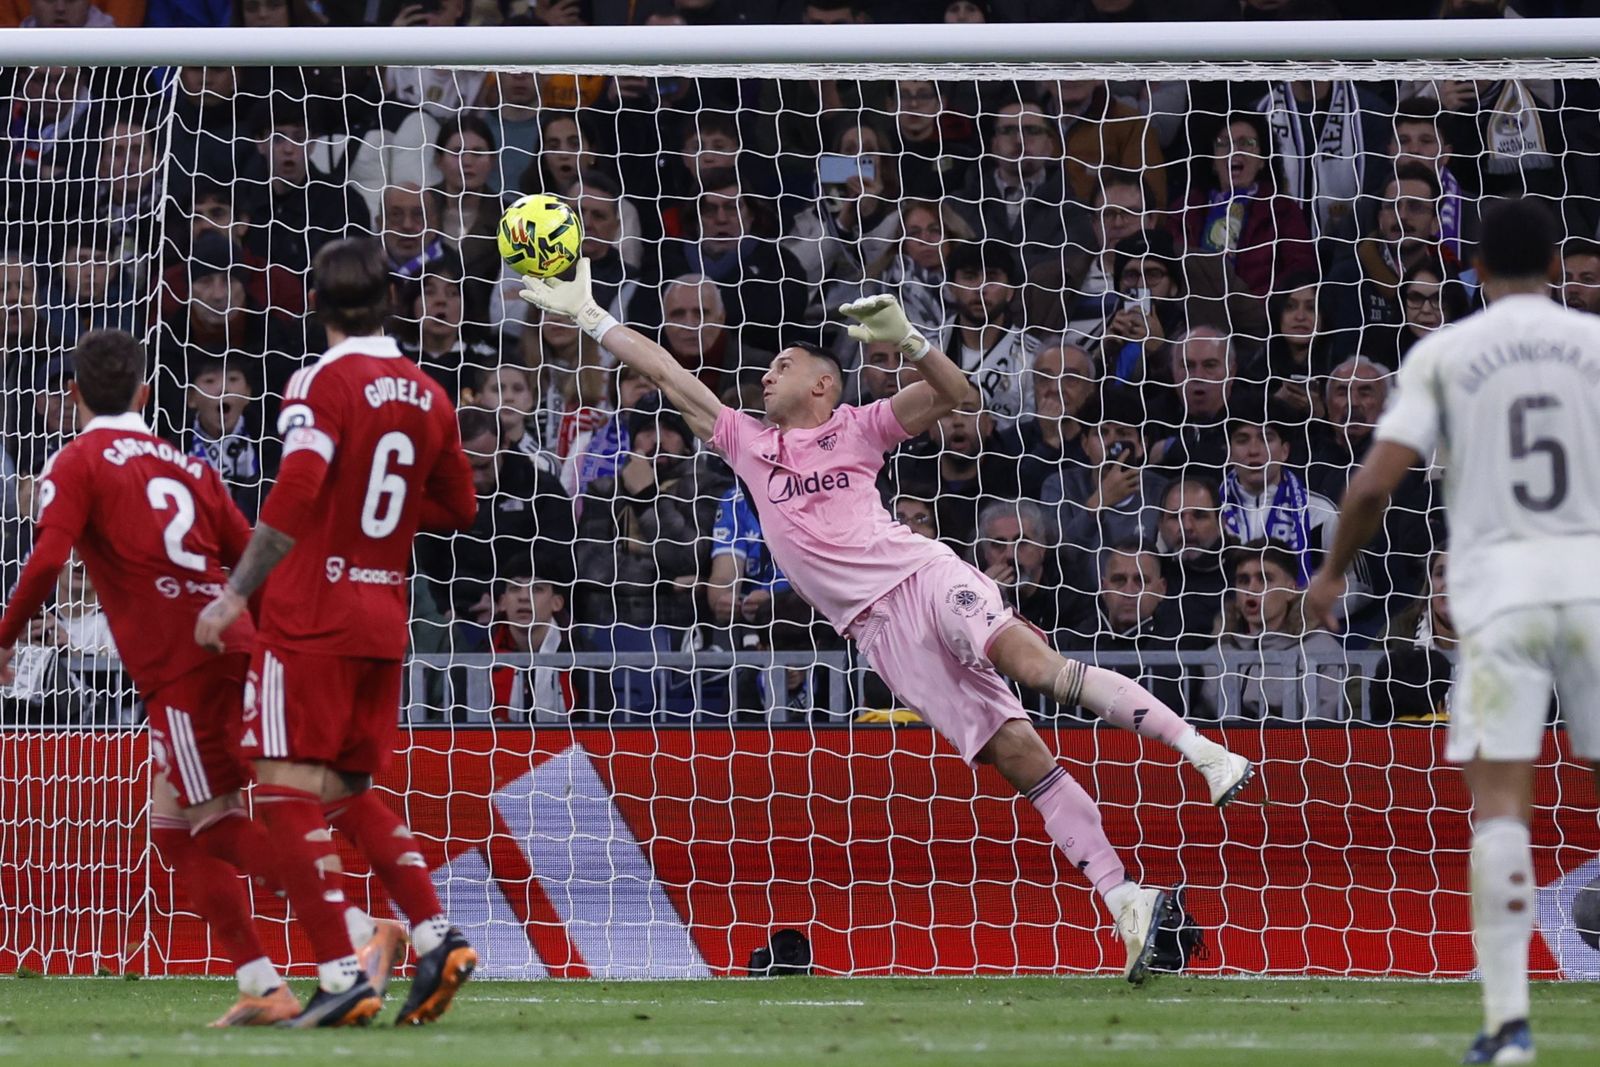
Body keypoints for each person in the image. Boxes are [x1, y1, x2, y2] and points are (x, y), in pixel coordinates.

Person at [520, 259, 1255, 983]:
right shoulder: (750, 444)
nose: (766, 375)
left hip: (923, 577)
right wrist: (593, 317)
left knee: (1036, 668)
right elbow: (670, 375)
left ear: (823, 383)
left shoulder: (858, 427)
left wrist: (910, 342)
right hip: (880, 635)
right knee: (1020, 757)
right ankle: (1126, 900)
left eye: (782, 364)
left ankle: (1204, 752)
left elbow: (957, 393)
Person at [0, 330, 392, 1027]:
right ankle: (262, 982)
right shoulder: (188, 465)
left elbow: (45, 562)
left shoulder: (75, 460)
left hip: (180, 666)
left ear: (72, 396)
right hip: (235, 638)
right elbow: (250, 556)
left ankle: (357, 934)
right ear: (145, 394)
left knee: (212, 822)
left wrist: (2, 640)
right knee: (177, 824)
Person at [1305, 199, 1600, 1064]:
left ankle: (1508, 1027)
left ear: (1472, 268)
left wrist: (1329, 575)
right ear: (1555, 265)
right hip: (1590, 582)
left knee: (1502, 803)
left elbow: (1369, 487)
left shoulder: (1444, 352)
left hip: (1499, 590)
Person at [193, 238, 479, 1028]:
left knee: (282, 790)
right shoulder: (429, 394)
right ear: (394, 303)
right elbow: (460, 511)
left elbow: (298, 486)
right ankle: (434, 932)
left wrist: (233, 593)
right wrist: (371, 516)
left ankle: (339, 972)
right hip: (385, 616)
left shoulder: (318, 381)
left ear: (315, 306)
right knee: (348, 792)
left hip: (310, 614)